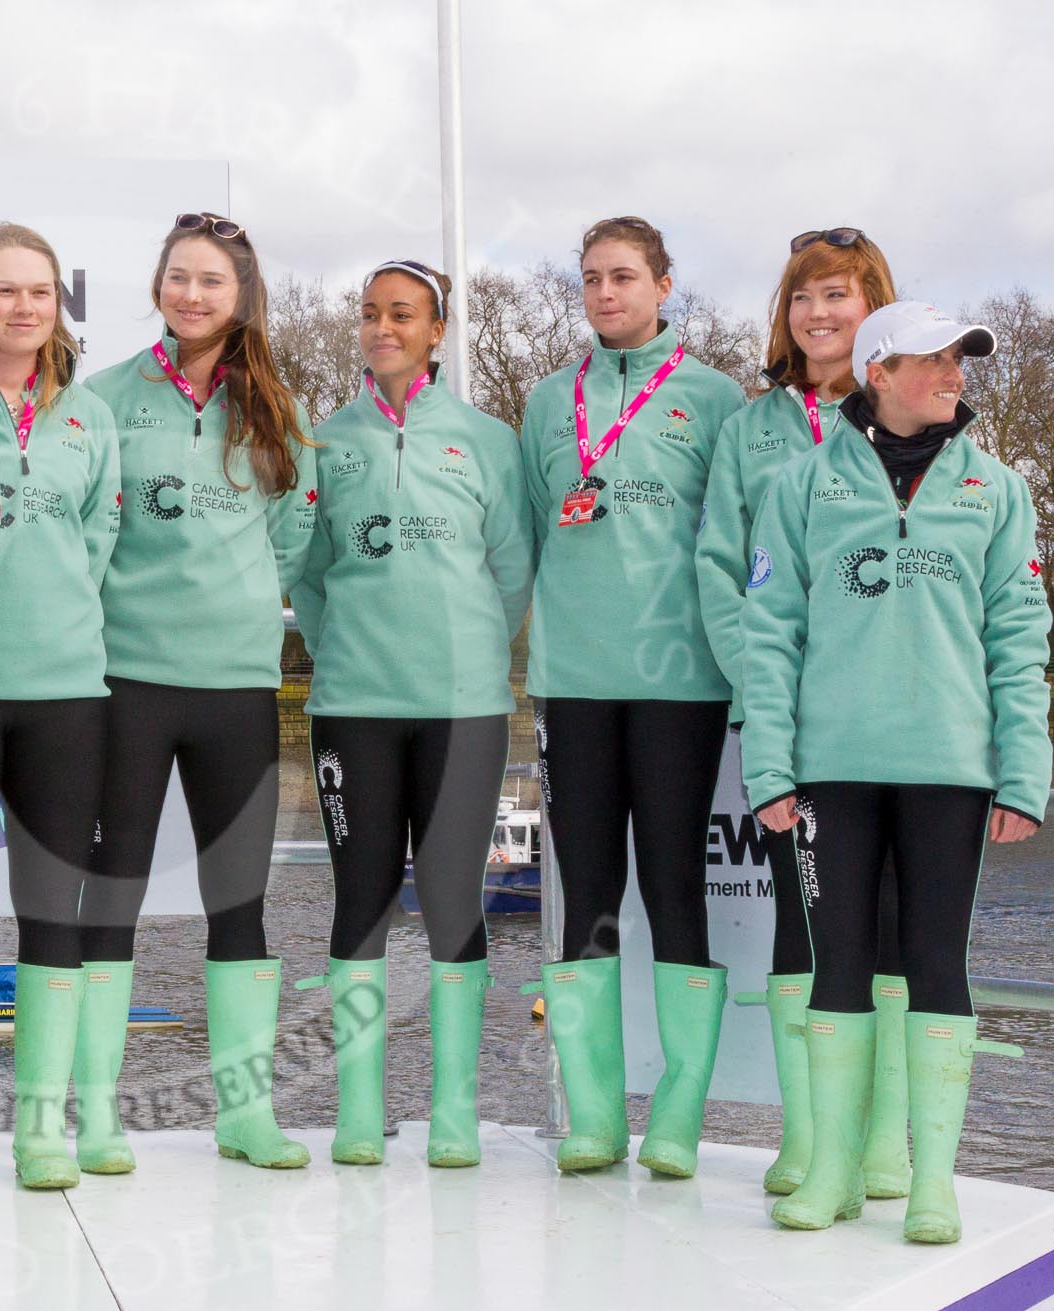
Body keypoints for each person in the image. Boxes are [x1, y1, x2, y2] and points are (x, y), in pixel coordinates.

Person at [745, 301, 1049, 1243]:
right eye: (937, 358)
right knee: (836, 964)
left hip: (951, 768)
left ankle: (931, 1182)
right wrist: (770, 766)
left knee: (934, 964)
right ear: (880, 370)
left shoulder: (998, 488)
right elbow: (769, 636)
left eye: (963, 359)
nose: (957, 373)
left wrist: (1022, 772)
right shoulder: (800, 483)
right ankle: (832, 1169)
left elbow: (1018, 637)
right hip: (832, 767)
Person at [77, 212, 316, 1174]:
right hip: (126, 680)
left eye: (212, 281)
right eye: (179, 277)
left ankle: (244, 1115)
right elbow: (86, 535)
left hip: (235, 686)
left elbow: (293, 537)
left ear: (241, 296)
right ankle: (94, 1114)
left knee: (239, 901)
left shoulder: (275, 407)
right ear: (158, 286)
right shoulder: (100, 399)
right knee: (113, 893)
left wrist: (247, 602)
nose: (192, 295)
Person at [290, 259, 532, 1167]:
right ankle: (358, 1112)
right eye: (370, 314)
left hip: (463, 708)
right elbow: (310, 577)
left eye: (403, 315)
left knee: (450, 900)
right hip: (353, 705)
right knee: (358, 899)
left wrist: (463, 649)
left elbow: (510, 571)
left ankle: (455, 1114)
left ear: (437, 332)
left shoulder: (487, 439)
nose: (382, 327)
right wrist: (349, 643)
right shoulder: (325, 442)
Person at [518, 216, 746, 1177]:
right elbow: (535, 537)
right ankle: (596, 1118)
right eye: (591, 279)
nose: (606, 293)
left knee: (675, 888)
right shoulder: (543, 404)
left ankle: (680, 1119)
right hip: (575, 684)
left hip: (679, 686)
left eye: (623, 276)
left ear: (662, 285)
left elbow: (732, 542)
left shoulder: (717, 399)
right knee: (588, 901)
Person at [696, 229, 907, 1199]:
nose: (819, 314)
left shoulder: (914, 413)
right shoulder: (751, 428)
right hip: (785, 720)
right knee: (799, 917)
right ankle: (811, 1138)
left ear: (876, 310)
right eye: (803, 298)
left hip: (889, 713)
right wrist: (770, 679)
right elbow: (719, 567)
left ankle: (884, 1143)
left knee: (893, 923)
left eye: (839, 295)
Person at [0, 223, 121, 1190]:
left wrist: (52, 618)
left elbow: (98, 537)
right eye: (4, 292)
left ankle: (43, 1128)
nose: (23, 309)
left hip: (65, 691)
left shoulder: (87, 416)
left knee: (54, 910)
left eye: (40, 292)